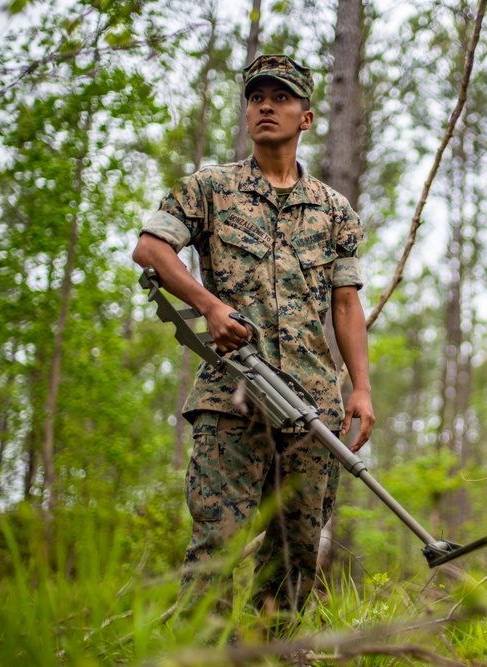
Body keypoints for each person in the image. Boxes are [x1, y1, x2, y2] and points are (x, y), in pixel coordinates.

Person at [132, 54, 375, 619]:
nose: (266, 105)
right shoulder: (209, 189)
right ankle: (198, 655)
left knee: (294, 557)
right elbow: (151, 249)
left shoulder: (335, 211)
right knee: (216, 547)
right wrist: (210, 307)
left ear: (306, 117)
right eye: (256, 97)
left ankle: (279, 655)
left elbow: (346, 301)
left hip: (313, 406)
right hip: (232, 396)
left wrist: (359, 389)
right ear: (246, 114)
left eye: (282, 96)